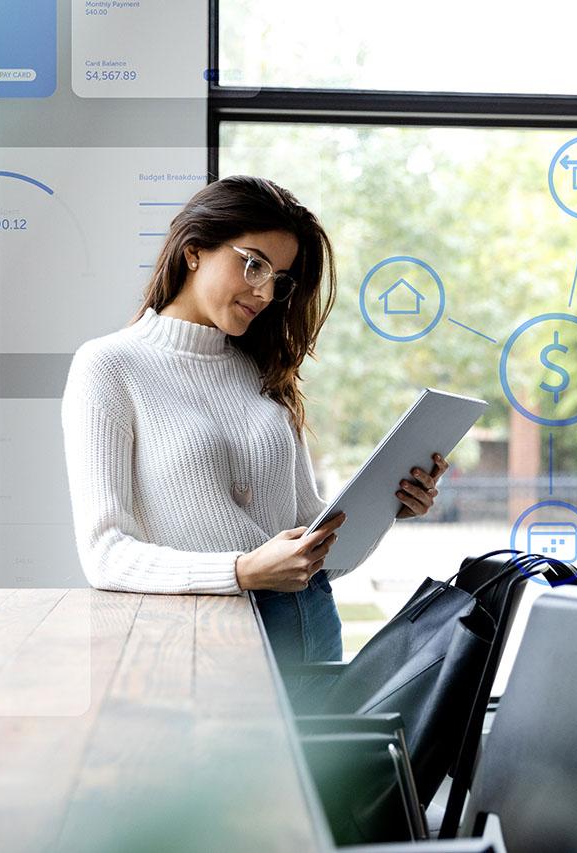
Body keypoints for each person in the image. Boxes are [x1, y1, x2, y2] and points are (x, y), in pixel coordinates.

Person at [61, 175, 450, 669]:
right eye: (254, 265)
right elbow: (105, 555)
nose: (266, 292)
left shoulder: (262, 370)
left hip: (312, 626)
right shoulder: (109, 366)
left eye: (279, 279)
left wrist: (389, 507)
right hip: (208, 643)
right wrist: (242, 571)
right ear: (194, 250)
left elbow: (313, 540)